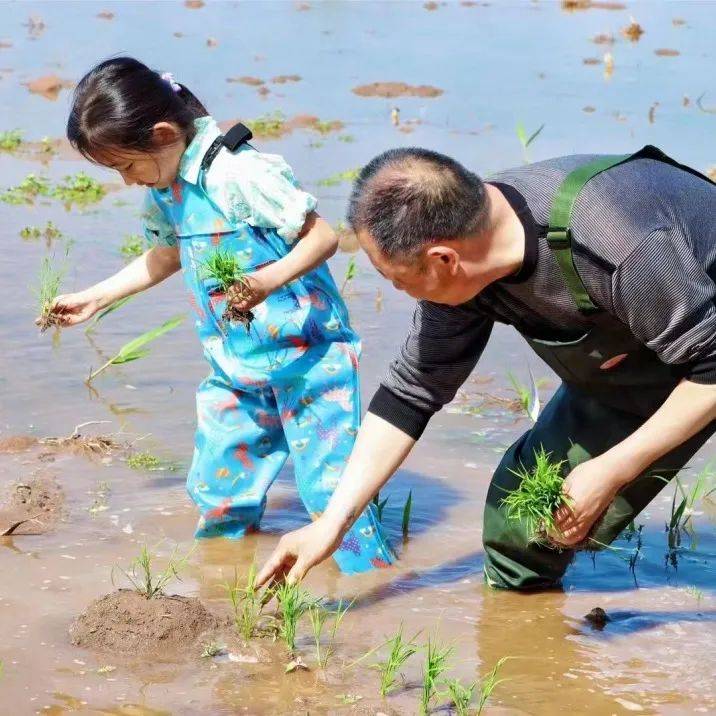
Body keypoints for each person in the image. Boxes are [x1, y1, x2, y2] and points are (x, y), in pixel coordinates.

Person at [258, 145, 716, 589]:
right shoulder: (466, 257)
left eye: (398, 280)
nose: (400, 292)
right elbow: (411, 392)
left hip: (702, 341)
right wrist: (331, 524)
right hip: (646, 351)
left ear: (443, 259)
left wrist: (612, 469)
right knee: (520, 526)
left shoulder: (617, 245)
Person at [46, 57, 394, 574]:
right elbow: (165, 255)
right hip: (234, 364)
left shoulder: (239, 172)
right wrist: (97, 296)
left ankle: (371, 587)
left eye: (126, 166)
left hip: (310, 360)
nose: (126, 180)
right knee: (218, 486)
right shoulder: (167, 188)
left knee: (332, 492)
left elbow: (322, 237)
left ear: (163, 135)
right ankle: (222, 580)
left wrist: (267, 280)